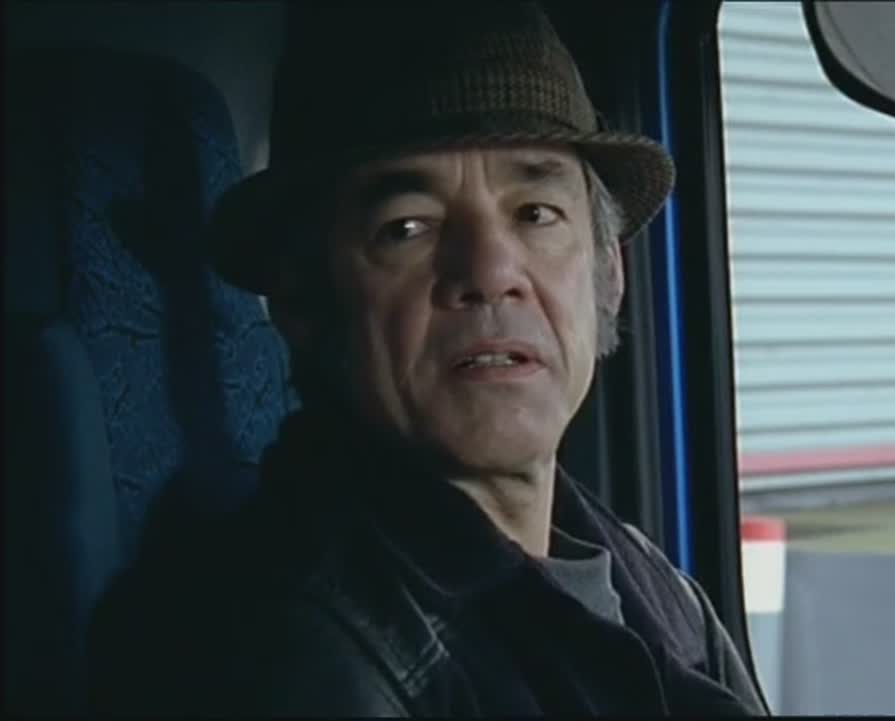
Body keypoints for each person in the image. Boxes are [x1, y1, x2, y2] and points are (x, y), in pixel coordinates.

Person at [88, 2, 768, 716]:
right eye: (407, 227)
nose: (491, 271)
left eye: (536, 213)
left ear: (609, 271)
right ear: (302, 295)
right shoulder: (302, 652)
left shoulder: (653, 584)